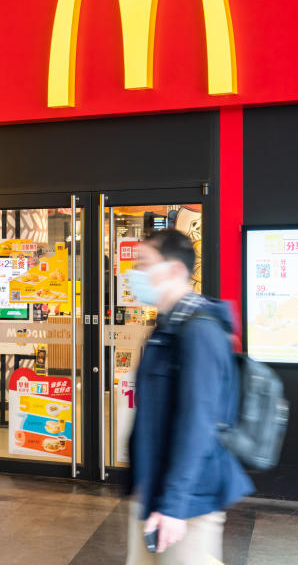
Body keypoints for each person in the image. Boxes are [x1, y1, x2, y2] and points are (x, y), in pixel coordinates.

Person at [124, 229, 253, 564]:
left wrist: (175, 504)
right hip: (156, 494)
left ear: (175, 270)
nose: (135, 273)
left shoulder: (200, 331)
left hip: (189, 504)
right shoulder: (166, 328)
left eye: (144, 263)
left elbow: (199, 422)